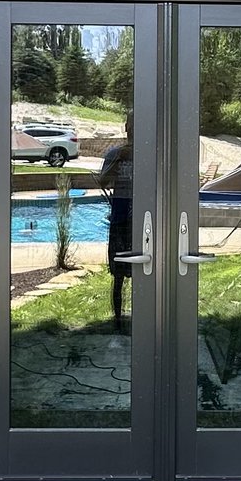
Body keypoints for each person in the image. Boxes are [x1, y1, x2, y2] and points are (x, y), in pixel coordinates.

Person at [96, 114, 134, 331]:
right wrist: (119, 158)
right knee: (118, 274)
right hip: (119, 217)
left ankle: (142, 319)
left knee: (142, 271)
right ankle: (118, 321)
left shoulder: (149, 154)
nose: (134, 128)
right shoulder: (114, 153)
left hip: (141, 217)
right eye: (132, 123)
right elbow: (102, 181)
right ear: (126, 127)